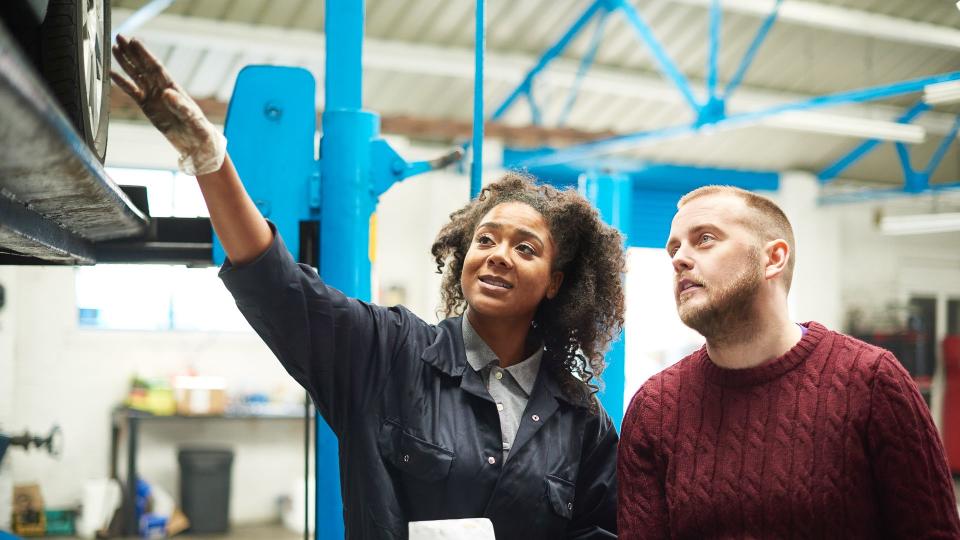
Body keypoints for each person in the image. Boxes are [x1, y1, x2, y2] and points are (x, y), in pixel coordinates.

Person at [111, 35, 625, 539]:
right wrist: (209, 160)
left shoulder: (582, 420)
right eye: (485, 239)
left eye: (525, 248)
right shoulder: (387, 353)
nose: (497, 254)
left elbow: (598, 530)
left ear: (557, 284)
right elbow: (277, 286)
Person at [617, 185, 960, 538]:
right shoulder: (654, 409)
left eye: (704, 239)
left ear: (773, 258)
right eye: (673, 248)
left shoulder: (872, 382)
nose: (679, 259)